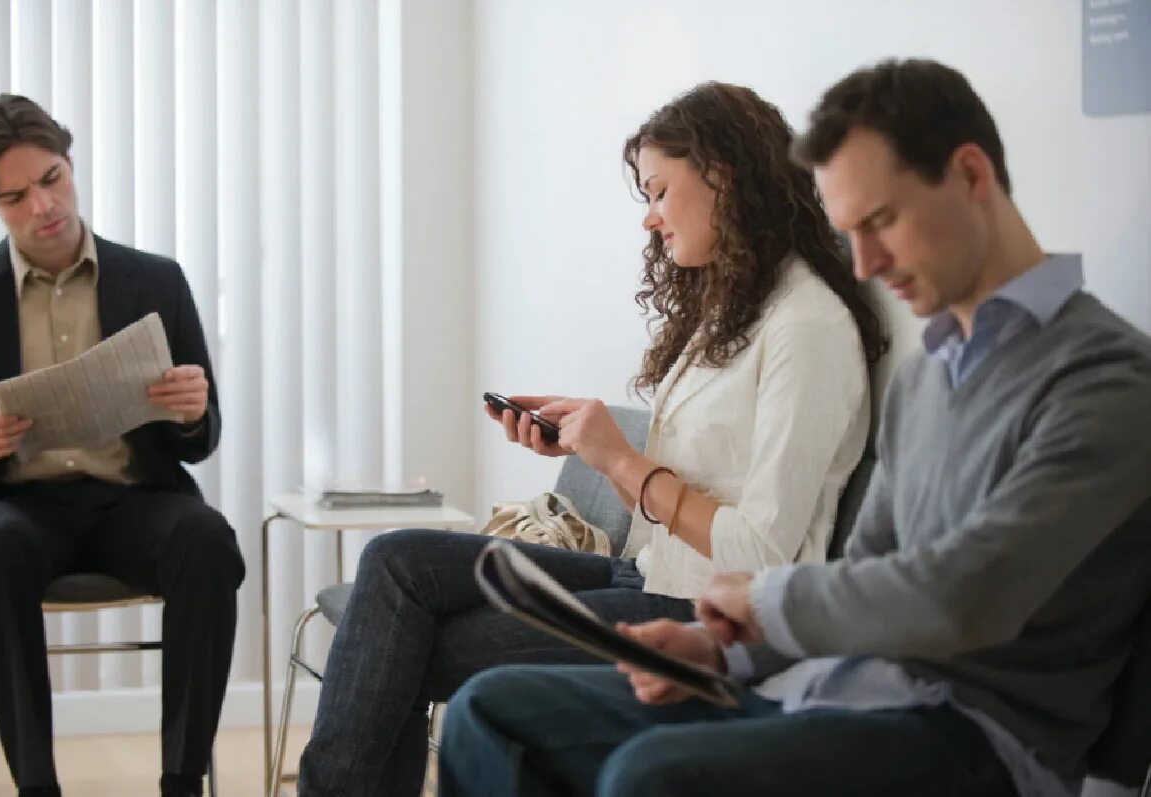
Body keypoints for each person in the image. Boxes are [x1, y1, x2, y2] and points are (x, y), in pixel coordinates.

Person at [437, 58, 1151, 797]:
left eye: (879, 222)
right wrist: (717, 650)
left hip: (970, 735)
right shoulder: (926, 377)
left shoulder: (1105, 380)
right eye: (852, 232)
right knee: (488, 712)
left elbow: (963, 593)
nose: (866, 265)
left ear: (970, 175)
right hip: (831, 691)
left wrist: (762, 604)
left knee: (652, 778)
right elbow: (860, 569)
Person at [297, 81, 885, 796]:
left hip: (699, 613)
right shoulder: (734, 311)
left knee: (405, 647)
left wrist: (622, 460)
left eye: (659, 191)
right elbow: (685, 485)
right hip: (647, 573)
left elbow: (759, 551)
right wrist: (590, 446)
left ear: (722, 175)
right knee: (395, 561)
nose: (649, 219)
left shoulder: (807, 328)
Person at [0, 94, 244, 797]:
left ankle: (182, 778)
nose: (43, 205)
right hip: (20, 506)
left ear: (70, 165)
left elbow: (202, 437)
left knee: (206, 540)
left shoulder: (155, 279)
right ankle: (37, 785)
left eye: (52, 178)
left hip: (135, 500)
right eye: (16, 194)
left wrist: (191, 411)